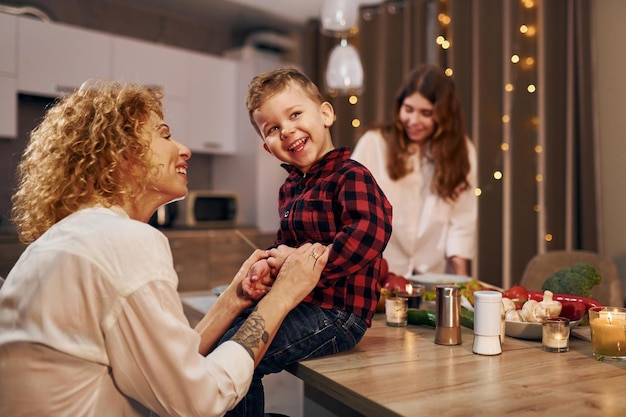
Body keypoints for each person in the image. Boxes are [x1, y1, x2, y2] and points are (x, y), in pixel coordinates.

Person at [0, 79, 330, 417]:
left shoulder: (68, 240)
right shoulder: (122, 240)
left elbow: (168, 368)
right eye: (166, 135)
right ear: (120, 154)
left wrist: (234, 299)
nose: (185, 149)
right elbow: (201, 400)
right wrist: (282, 296)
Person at [219, 67, 392, 417]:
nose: (287, 131)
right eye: (273, 129)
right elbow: (286, 245)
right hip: (299, 304)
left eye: (295, 114)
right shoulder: (289, 190)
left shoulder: (351, 175)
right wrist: (269, 266)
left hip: (339, 314)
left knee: (240, 361)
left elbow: (371, 230)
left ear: (325, 114)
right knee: (226, 349)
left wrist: (308, 268)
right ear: (267, 147)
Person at [351, 63, 477, 278]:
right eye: (408, 109)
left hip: (431, 275)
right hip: (378, 273)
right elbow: (350, 209)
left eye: (426, 113)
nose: (414, 121)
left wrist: (462, 281)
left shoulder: (462, 151)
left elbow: (462, 222)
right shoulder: (373, 143)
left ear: (444, 116)